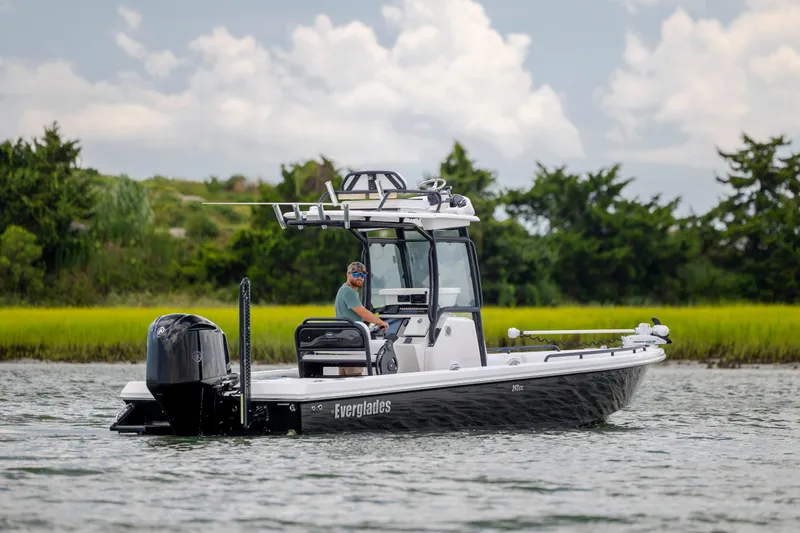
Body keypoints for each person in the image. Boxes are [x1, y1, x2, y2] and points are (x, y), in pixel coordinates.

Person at [335, 261, 389, 376]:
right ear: (348, 274)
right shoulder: (349, 291)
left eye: (362, 275)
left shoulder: (343, 290)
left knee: (344, 377)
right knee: (355, 376)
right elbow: (364, 313)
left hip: (343, 339)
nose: (359, 277)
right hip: (351, 340)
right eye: (355, 274)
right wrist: (381, 322)